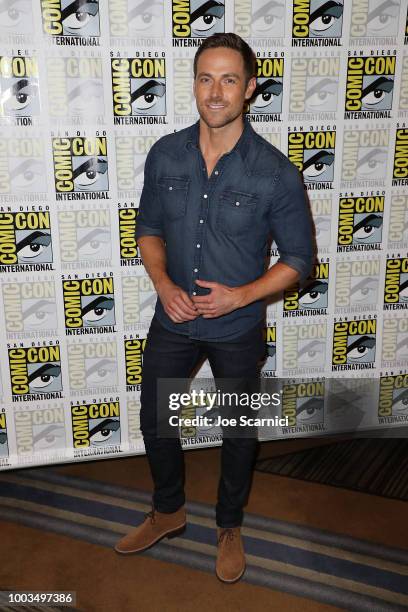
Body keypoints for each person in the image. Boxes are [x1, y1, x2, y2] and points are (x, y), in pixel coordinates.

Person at [115, 32, 314, 583]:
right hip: (172, 318)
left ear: (250, 88)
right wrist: (161, 283)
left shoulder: (275, 171)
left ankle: (229, 524)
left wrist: (242, 294)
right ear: (195, 83)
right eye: (207, 78)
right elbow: (149, 231)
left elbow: (299, 257)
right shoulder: (165, 153)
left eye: (230, 79)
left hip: (238, 325)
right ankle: (169, 510)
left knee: (238, 431)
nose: (217, 91)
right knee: (156, 420)